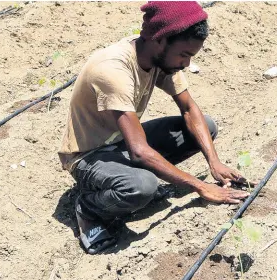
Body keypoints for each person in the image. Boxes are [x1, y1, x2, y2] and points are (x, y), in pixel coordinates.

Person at [58, 1, 254, 254]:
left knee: (206, 127)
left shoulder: (160, 58)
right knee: (142, 187)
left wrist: (213, 162)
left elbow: (189, 109)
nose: (186, 64)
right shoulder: (112, 69)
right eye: (184, 55)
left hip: (122, 141)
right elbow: (139, 151)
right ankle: (90, 207)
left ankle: (125, 175)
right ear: (160, 40)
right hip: (89, 155)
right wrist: (201, 186)